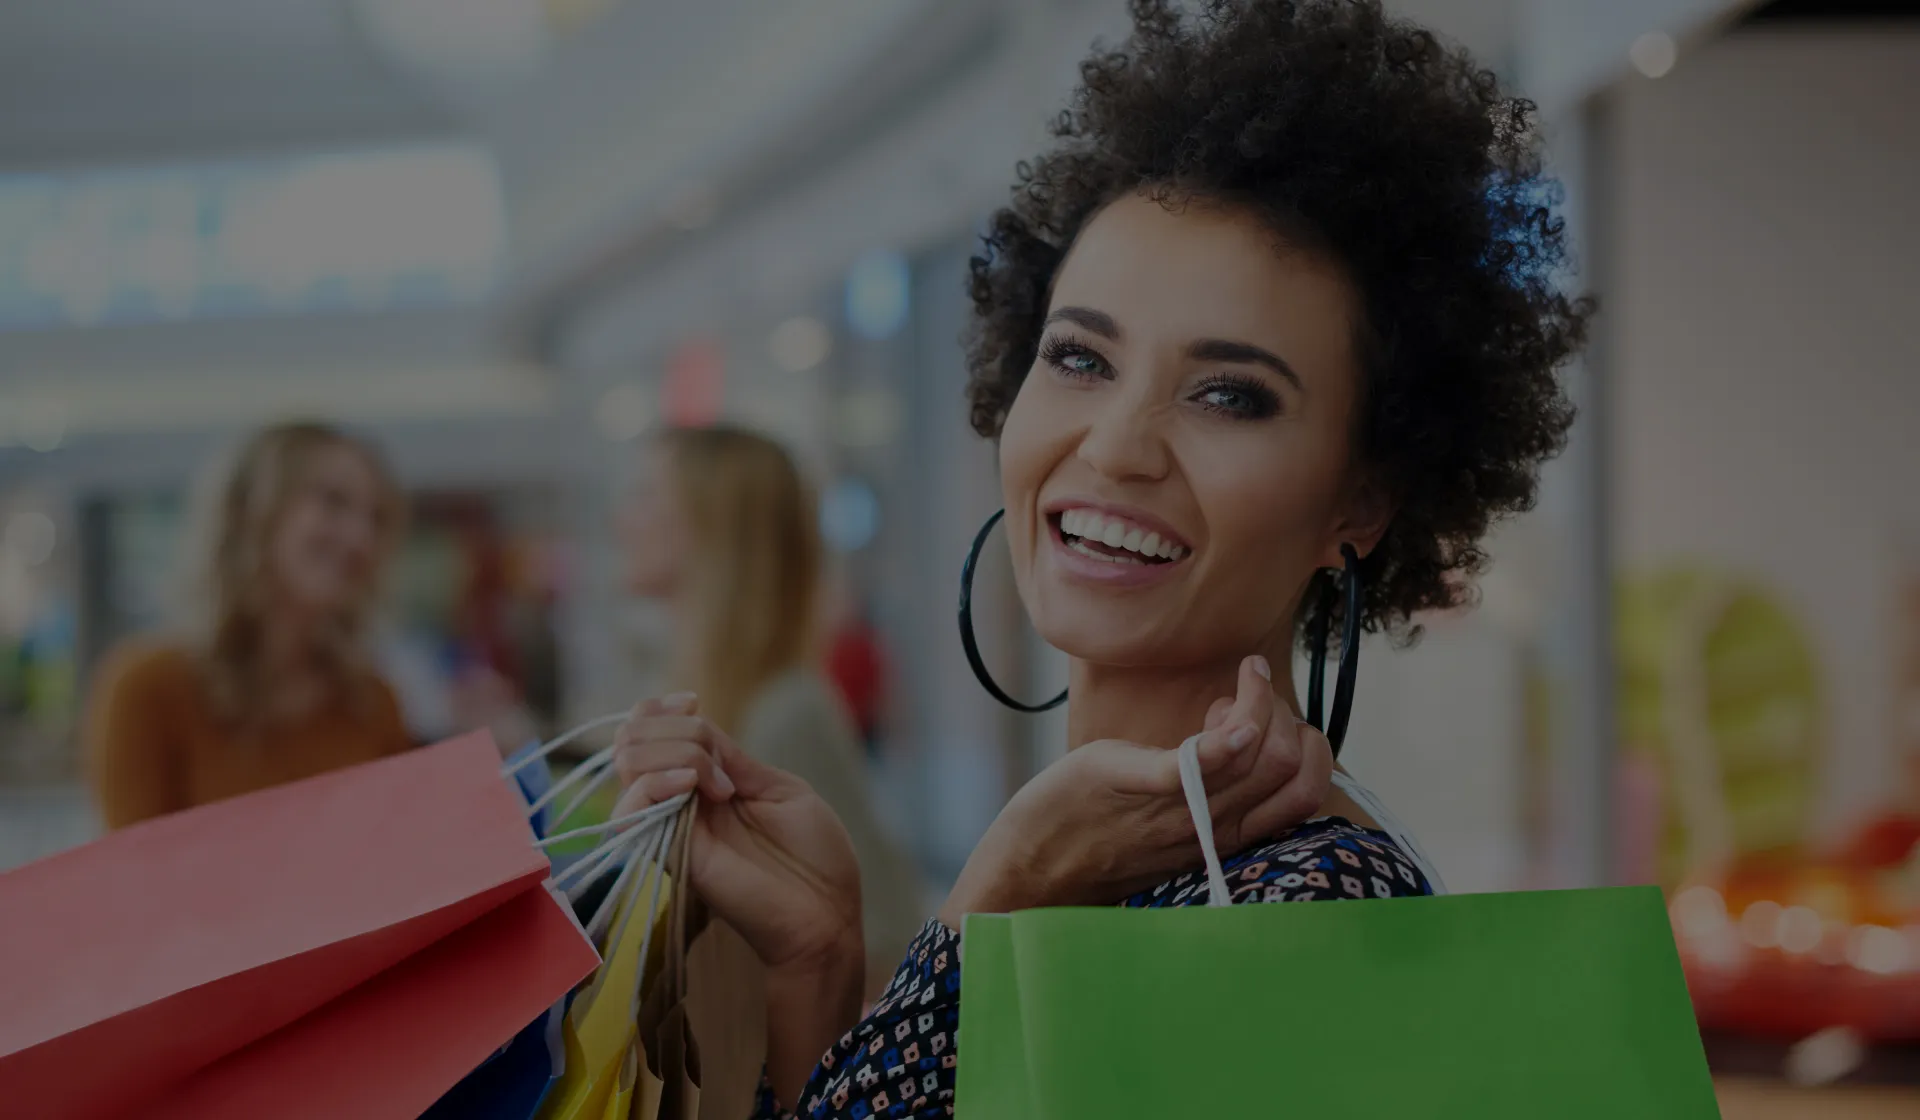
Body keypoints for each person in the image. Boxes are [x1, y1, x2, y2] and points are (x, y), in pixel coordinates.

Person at [613, 2, 1593, 1115]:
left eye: (1230, 394)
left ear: (1361, 499)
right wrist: (817, 958)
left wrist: (992, 901)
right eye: (1079, 356)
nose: (1117, 446)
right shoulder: (1107, 857)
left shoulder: (1302, 906)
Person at [617, 423, 925, 995]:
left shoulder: (787, 712)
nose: (624, 521)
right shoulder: (696, 695)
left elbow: (882, 944)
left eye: (646, 496)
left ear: (712, 525)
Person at [85, 422, 414, 829]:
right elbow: (127, 877)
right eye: (333, 502)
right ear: (252, 510)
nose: (360, 536)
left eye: (376, 518)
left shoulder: (372, 702)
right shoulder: (148, 688)